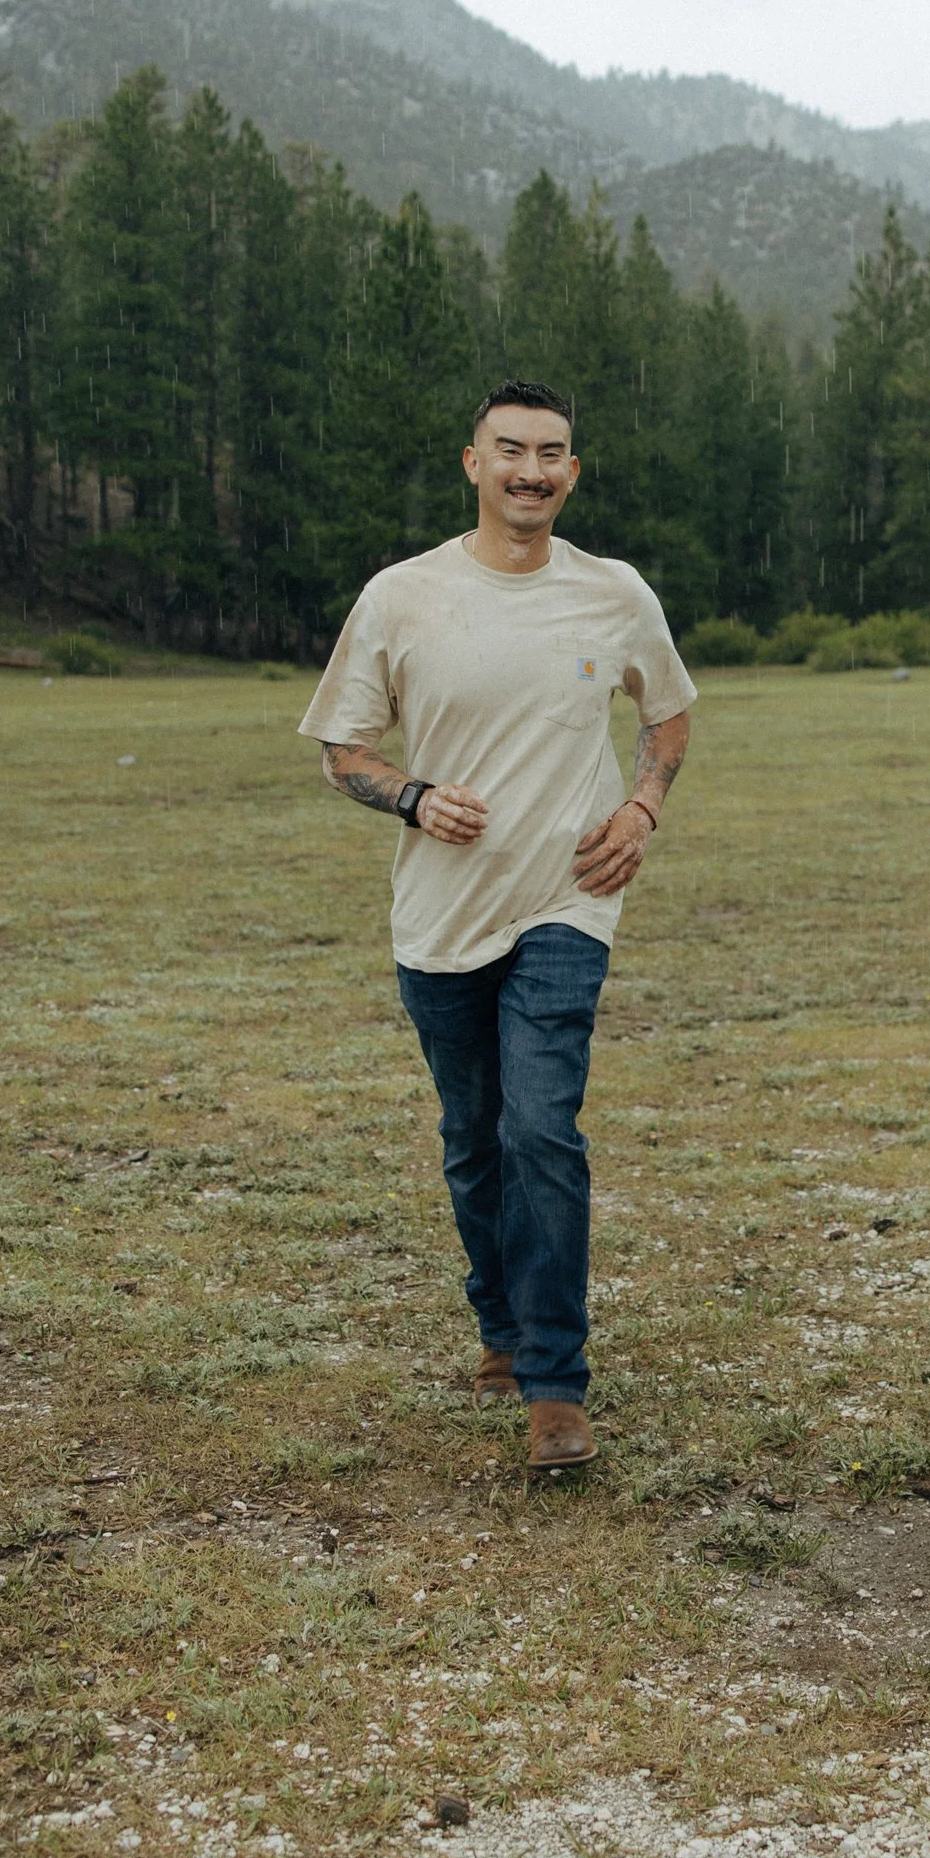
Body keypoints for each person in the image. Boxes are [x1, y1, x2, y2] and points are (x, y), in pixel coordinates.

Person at [300, 379, 694, 1482]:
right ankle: (501, 1323)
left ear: (572, 470)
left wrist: (641, 807)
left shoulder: (612, 594)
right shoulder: (402, 596)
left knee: (540, 1128)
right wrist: (415, 797)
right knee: (474, 1139)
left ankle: (555, 1386)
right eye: (511, 450)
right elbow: (342, 750)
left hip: (567, 897)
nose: (532, 469)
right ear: (472, 463)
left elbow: (666, 715)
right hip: (440, 916)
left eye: (552, 452)